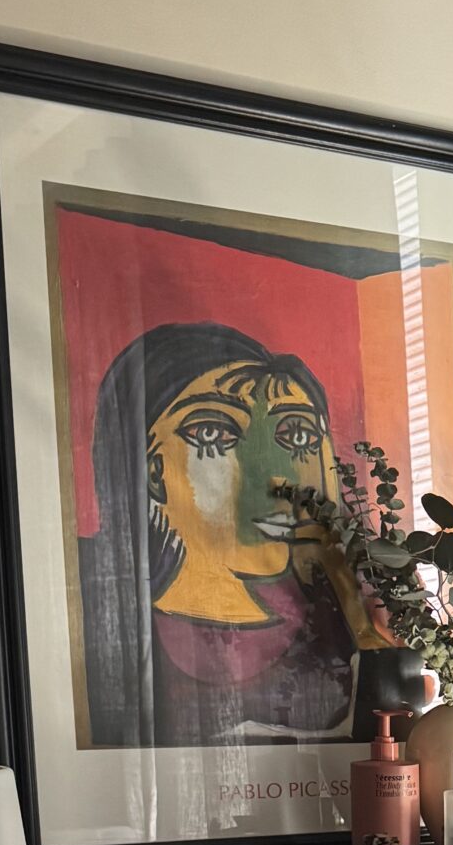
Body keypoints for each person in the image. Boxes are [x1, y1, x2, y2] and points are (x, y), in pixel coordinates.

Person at [78, 321, 369, 751]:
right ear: (152, 472)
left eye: (299, 435)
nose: (275, 475)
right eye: (215, 432)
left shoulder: (350, 613)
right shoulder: (88, 607)